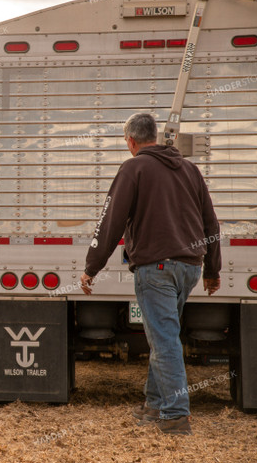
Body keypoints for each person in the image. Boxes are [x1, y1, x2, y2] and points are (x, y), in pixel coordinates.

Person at [79, 112, 221, 436]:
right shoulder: (190, 169)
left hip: (156, 268)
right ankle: (155, 406)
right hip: (190, 268)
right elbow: (211, 224)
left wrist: (91, 267)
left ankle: (175, 415)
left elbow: (111, 219)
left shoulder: (134, 168)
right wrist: (212, 270)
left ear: (131, 141)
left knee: (164, 341)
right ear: (154, 136)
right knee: (165, 338)